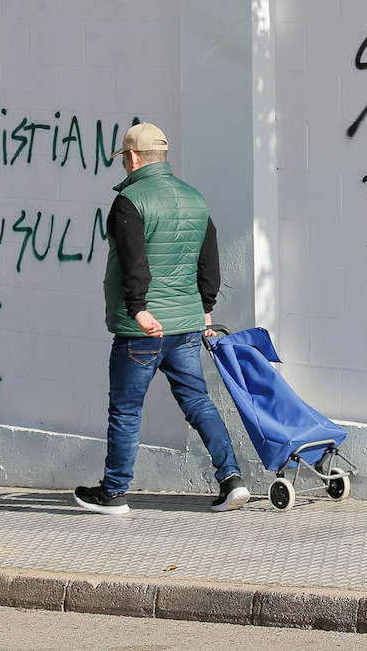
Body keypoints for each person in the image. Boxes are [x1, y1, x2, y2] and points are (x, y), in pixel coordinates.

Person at [74, 121, 250, 515]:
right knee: (198, 401)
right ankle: (231, 479)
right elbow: (210, 262)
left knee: (125, 407)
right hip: (186, 324)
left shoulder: (130, 201)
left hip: (143, 329)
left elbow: (134, 262)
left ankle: (114, 492)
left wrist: (138, 309)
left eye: (124, 159)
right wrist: (205, 308)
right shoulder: (194, 198)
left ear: (133, 157)